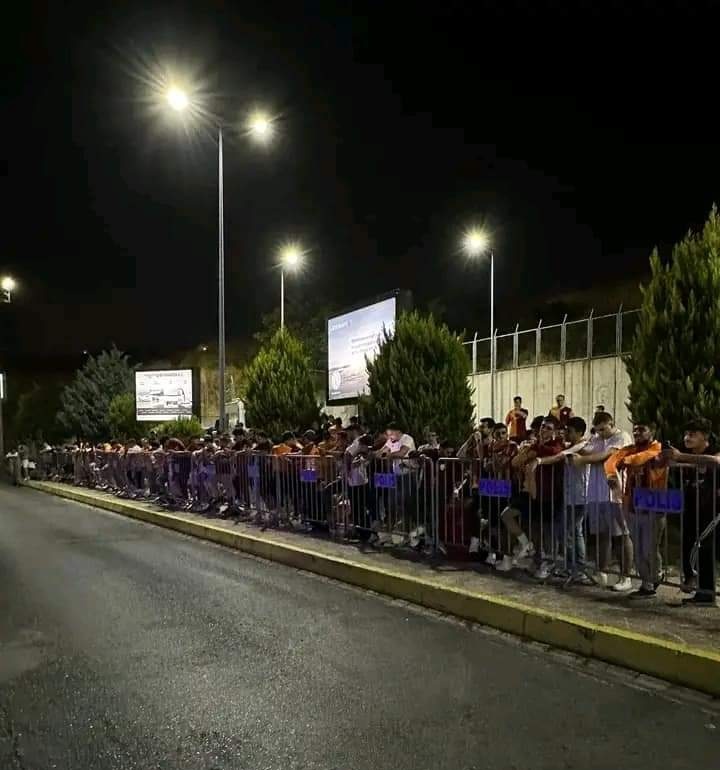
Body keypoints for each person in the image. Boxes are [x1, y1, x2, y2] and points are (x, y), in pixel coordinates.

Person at [571, 412, 633, 591]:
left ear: (611, 423)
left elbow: (608, 456)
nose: (601, 433)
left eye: (604, 429)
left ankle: (626, 575)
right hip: (596, 494)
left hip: (615, 494)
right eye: (598, 430)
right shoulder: (596, 438)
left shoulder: (622, 437)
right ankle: (602, 571)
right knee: (601, 535)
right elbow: (590, 451)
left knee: (621, 535)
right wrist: (575, 446)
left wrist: (582, 459)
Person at [605, 422, 666, 600]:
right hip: (632, 504)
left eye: (642, 429)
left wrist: (625, 461)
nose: (637, 432)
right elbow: (610, 461)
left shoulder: (657, 447)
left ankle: (655, 575)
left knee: (649, 548)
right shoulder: (630, 449)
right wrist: (610, 474)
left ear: (652, 431)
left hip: (654, 504)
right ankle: (647, 584)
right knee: (639, 547)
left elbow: (643, 457)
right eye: (635, 429)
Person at [664, 418, 719, 606]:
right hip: (692, 509)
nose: (687, 438)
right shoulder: (686, 453)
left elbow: (715, 461)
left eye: (693, 434)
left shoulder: (713, 451)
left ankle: (706, 594)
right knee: (689, 544)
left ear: (705, 436)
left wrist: (681, 458)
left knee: (703, 547)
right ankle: (699, 590)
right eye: (686, 434)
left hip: (712, 511)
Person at [496, 417, 564, 572]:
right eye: (542, 427)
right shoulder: (534, 445)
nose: (543, 430)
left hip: (547, 494)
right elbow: (515, 462)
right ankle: (526, 545)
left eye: (547, 428)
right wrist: (529, 451)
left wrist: (534, 452)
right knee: (509, 516)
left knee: (544, 531)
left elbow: (555, 452)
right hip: (529, 492)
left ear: (554, 431)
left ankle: (545, 564)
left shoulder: (555, 444)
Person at [530, 417, 589, 580]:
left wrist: (539, 460)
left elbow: (558, 456)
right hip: (570, 496)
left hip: (580, 496)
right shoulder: (572, 445)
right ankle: (574, 568)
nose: (565, 434)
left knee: (568, 532)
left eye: (569, 431)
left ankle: (578, 568)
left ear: (579, 432)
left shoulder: (582, 445)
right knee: (572, 532)